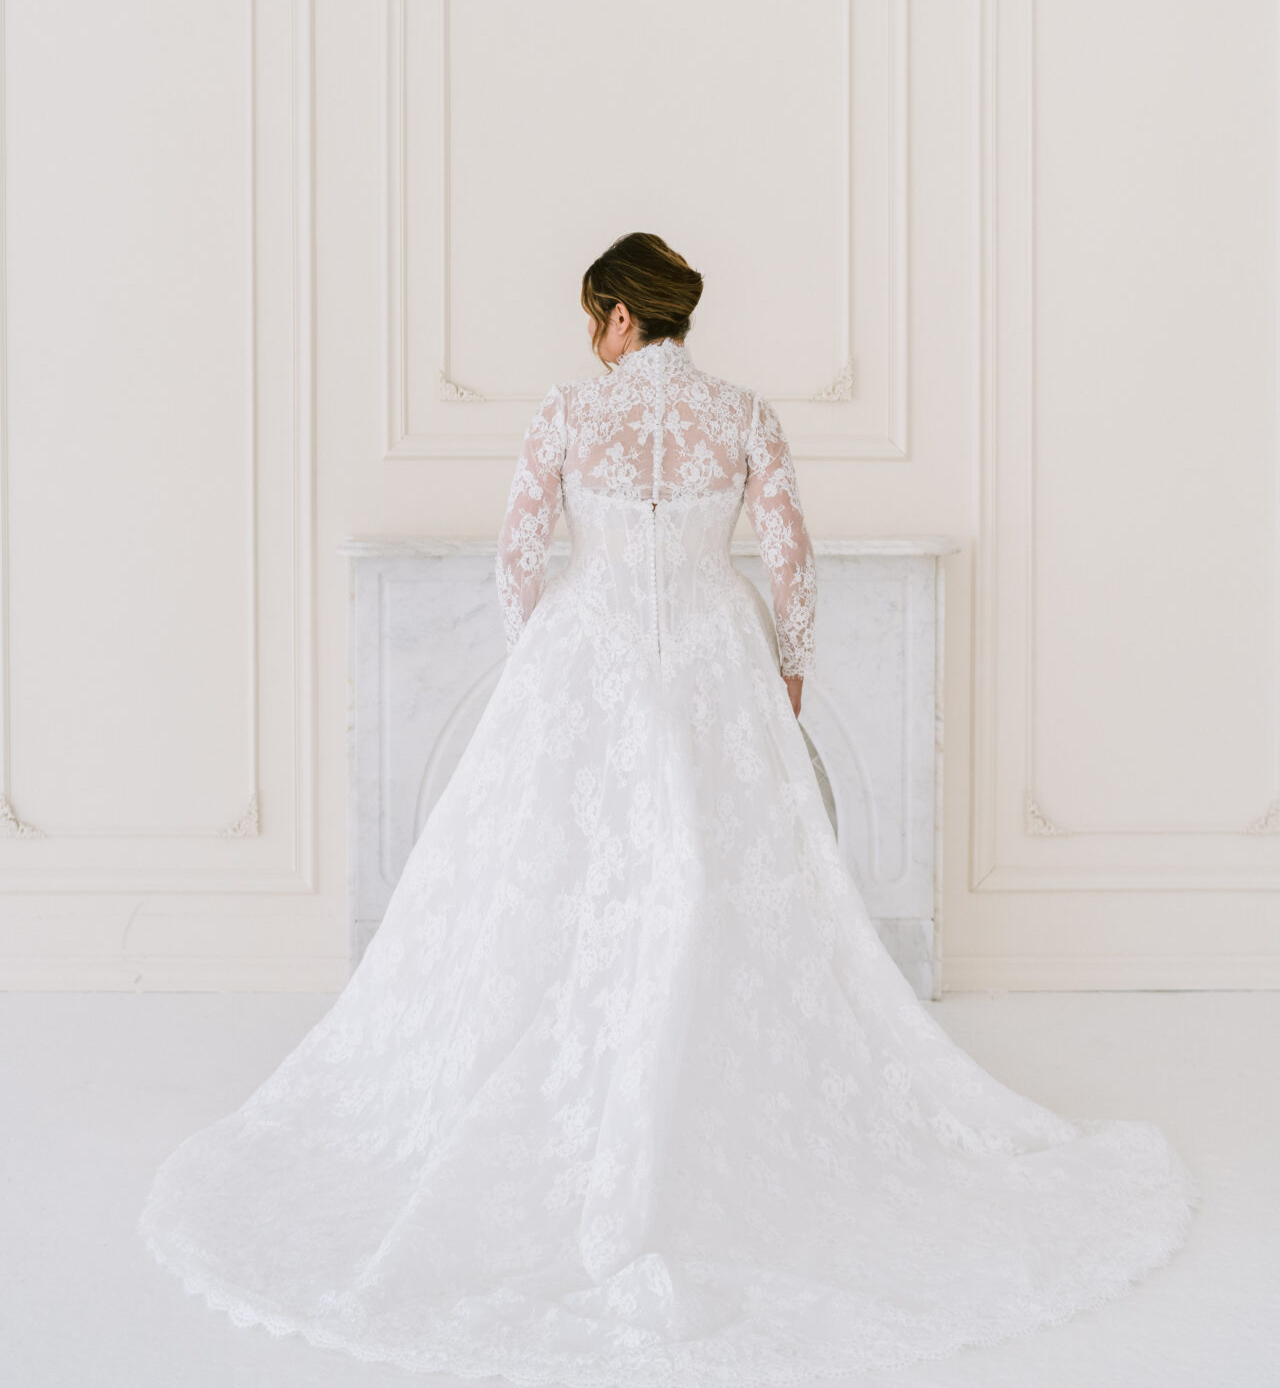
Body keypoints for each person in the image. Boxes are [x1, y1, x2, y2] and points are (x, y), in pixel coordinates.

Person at [140, 231, 1198, 1382]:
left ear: (616, 315)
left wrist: (543, 654)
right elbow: (790, 552)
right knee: (718, 871)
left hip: (584, 657)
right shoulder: (742, 415)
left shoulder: (566, 412)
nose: (588, 340)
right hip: (710, 654)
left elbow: (517, 553)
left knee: (571, 879)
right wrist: (787, 661)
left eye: (590, 318)